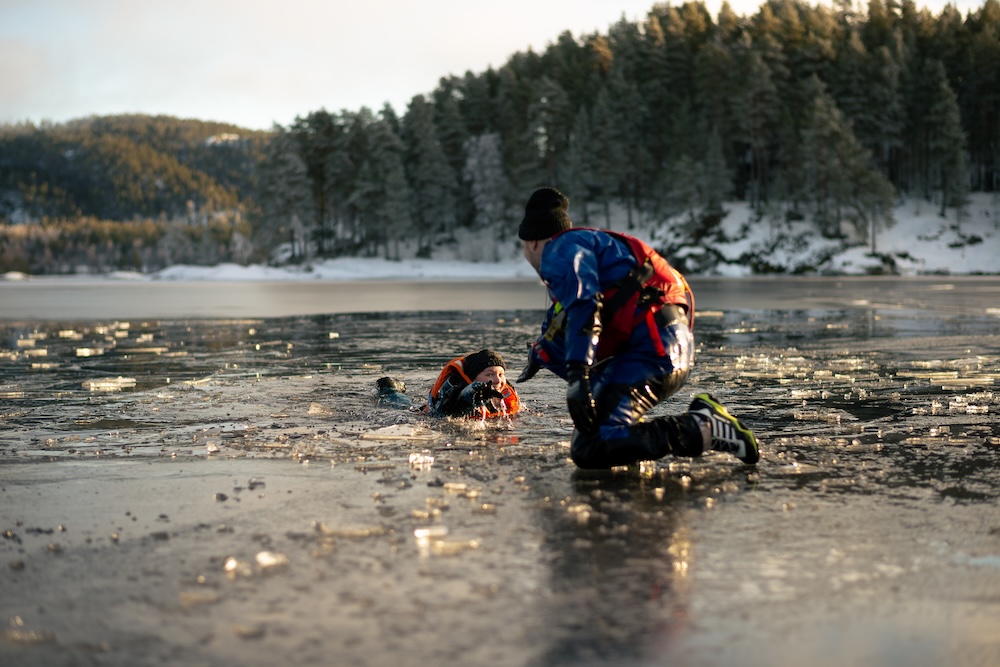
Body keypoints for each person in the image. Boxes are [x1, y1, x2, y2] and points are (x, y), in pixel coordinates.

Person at [514, 187, 759, 468]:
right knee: (590, 442)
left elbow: (585, 305)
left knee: (593, 446)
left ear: (531, 242)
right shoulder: (583, 249)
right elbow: (567, 321)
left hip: (655, 348)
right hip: (660, 345)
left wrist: (577, 374)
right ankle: (636, 442)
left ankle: (704, 427)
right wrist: (542, 354)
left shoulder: (561, 249)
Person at [376, 348, 520, 419]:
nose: (497, 380)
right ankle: (389, 387)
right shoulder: (457, 390)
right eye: (489, 374)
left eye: (500, 374)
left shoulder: (503, 391)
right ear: (472, 378)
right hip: (424, 414)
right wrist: (473, 392)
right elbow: (460, 402)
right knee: (399, 402)